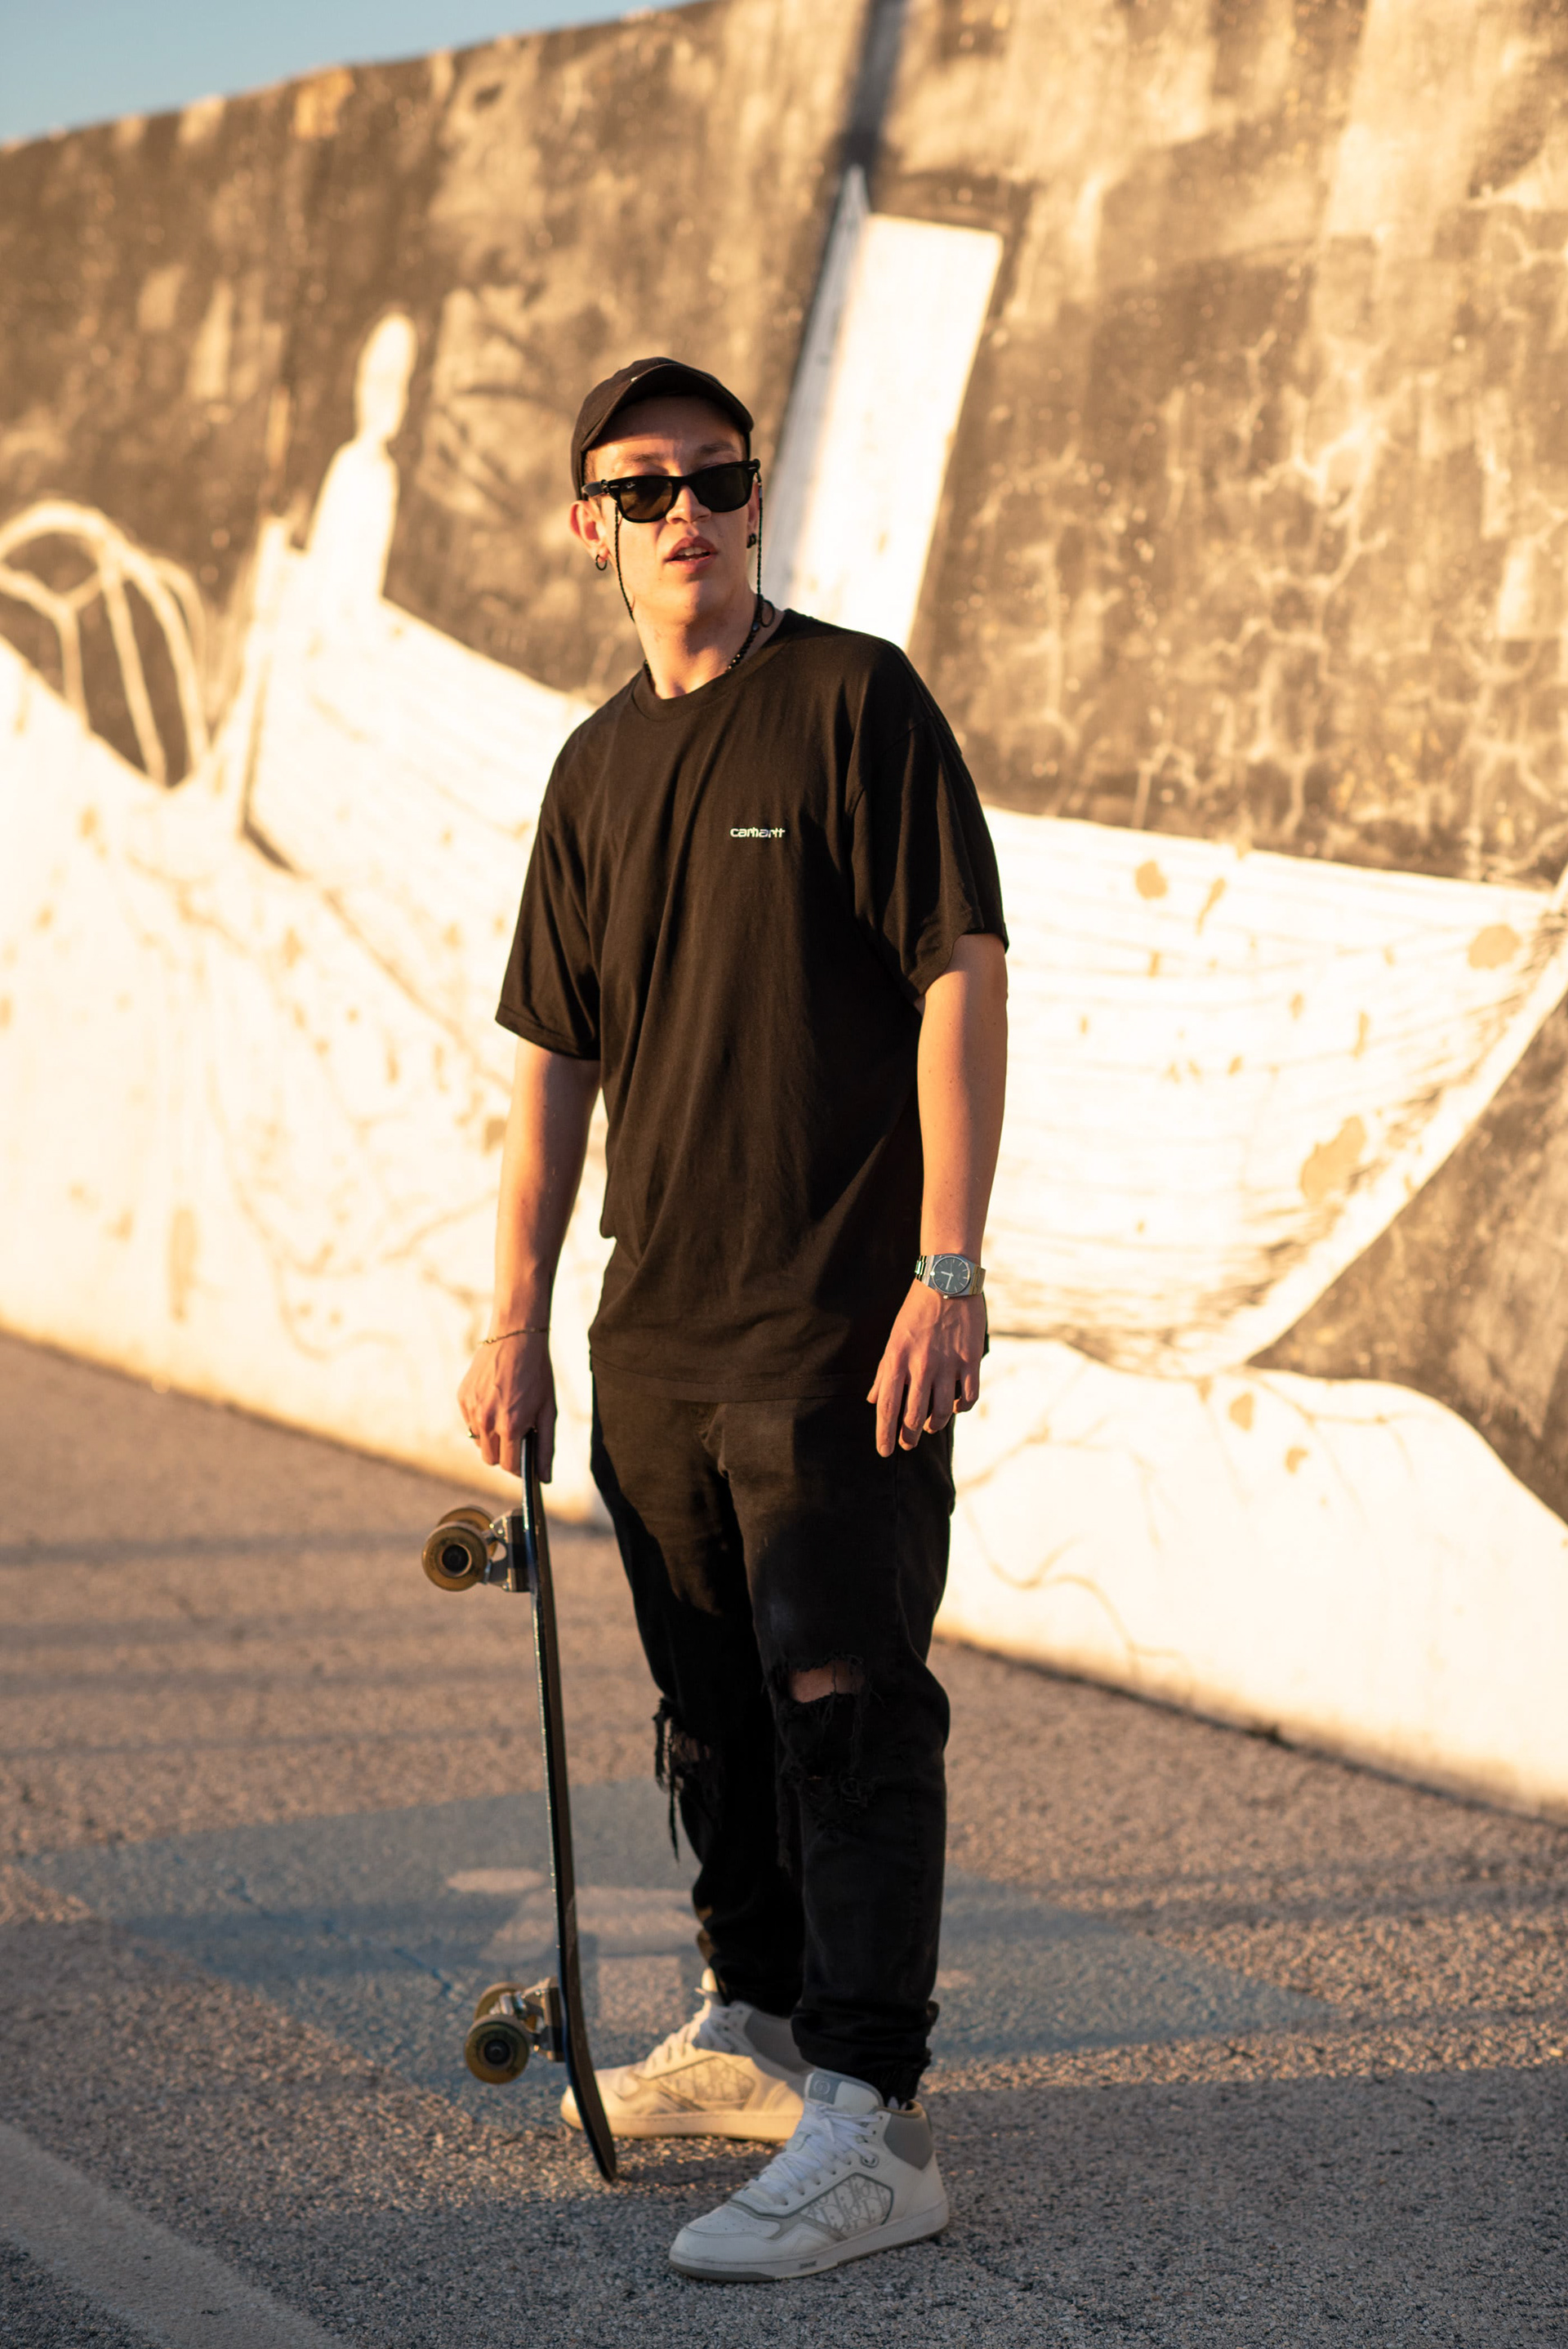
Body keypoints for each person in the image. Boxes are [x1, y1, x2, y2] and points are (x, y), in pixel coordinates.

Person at [459, 355, 1007, 2281]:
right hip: (655, 1344)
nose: (685, 509)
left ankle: (876, 2114)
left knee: (846, 1708)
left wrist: (948, 1266)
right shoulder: (594, 770)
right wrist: (515, 1318)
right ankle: (758, 2025)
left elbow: (961, 972)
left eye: (717, 476)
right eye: (644, 486)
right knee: (711, 1719)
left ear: (755, 497)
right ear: (589, 525)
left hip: (837, 1328)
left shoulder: (854, 703)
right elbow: (551, 1063)